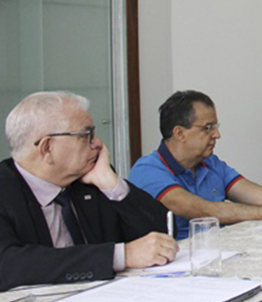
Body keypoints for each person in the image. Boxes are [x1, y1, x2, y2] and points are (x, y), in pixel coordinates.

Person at [0, 92, 176, 291]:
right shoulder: (5, 190)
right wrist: (120, 256)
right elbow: (8, 265)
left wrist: (113, 185)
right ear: (47, 147)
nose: (97, 144)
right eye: (86, 136)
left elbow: (165, 231)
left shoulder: (90, 180)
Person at [130, 91, 262, 240]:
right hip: (179, 267)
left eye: (216, 126)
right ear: (180, 133)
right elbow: (204, 210)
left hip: (224, 252)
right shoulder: (147, 170)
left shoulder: (210, 163)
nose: (217, 134)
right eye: (208, 128)